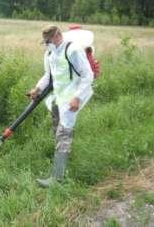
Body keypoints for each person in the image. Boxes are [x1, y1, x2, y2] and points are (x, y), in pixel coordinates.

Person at [28, 25, 94, 188]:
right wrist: (37, 88)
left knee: (63, 133)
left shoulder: (73, 50)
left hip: (72, 99)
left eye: (48, 41)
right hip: (58, 98)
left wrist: (77, 98)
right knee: (58, 130)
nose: (47, 44)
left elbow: (88, 75)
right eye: (45, 42)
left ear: (57, 35)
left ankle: (57, 179)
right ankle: (62, 163)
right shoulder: (50, 53)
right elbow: (48, 76)